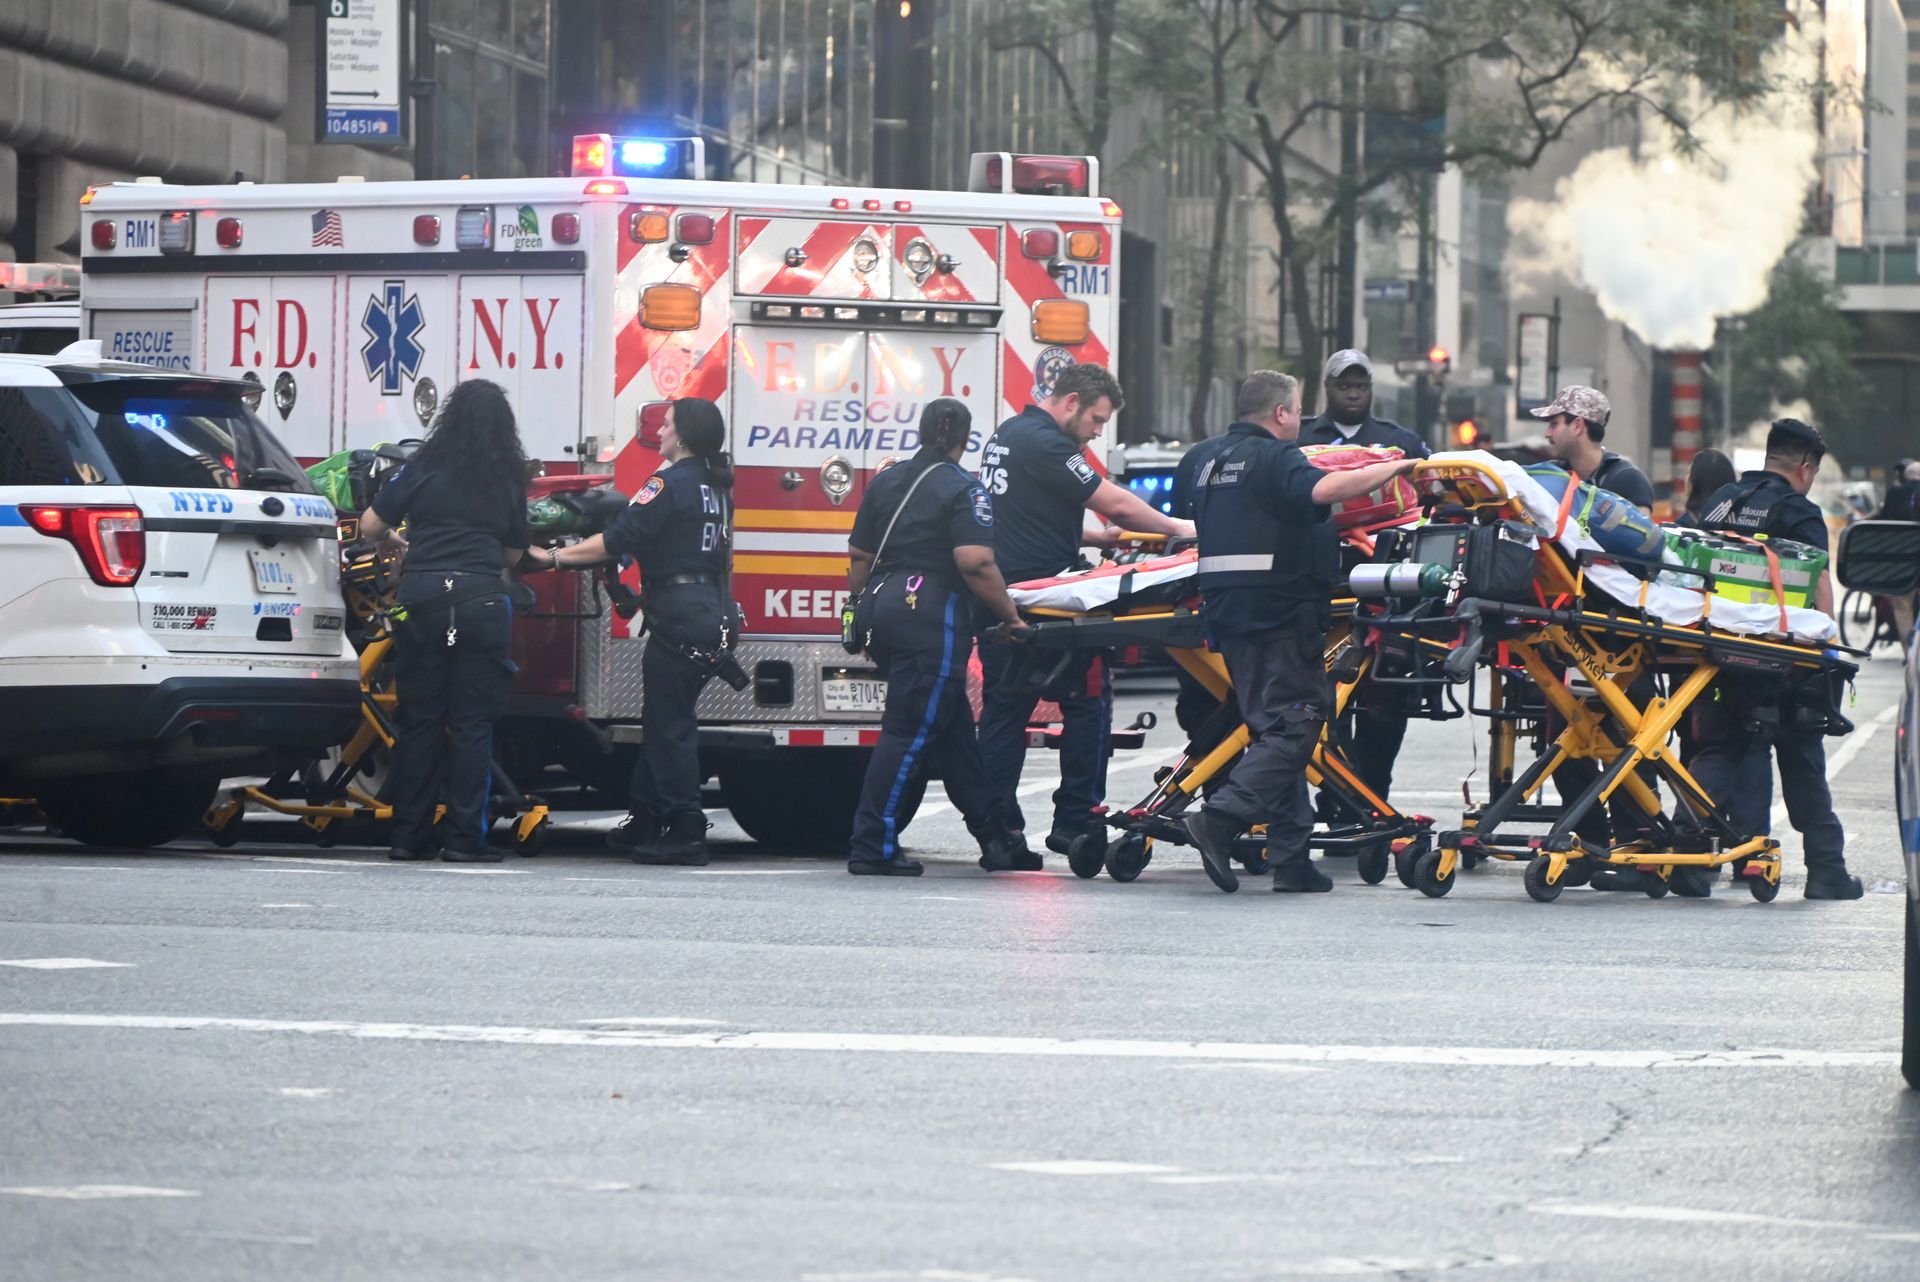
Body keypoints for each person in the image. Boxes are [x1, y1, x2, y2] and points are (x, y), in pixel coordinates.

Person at [1179, 370, 1418, 894]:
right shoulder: (1277, 456)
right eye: (1298, 410)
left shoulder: (1209, 460)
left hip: (1228, 613)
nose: (1301, 420)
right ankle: (1220, 819)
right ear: (1281, 413)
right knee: (1298, 724)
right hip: (1278, 613)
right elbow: (1325, 488)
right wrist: (1394, 467)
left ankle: (1291, 857)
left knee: (1272, 730)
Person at [975, 363, 1194, 865]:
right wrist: (1184, 528)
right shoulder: (1048, 444)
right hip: (1047, 603)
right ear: (1070, 401)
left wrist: (1097, 538)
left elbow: (1025, 518)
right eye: (1096, 419)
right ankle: (1076, 820)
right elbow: (1115, 503)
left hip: (1002, 598)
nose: (1098, 431)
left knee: (1004, 716)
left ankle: (1000, 834)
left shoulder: (1008, 434)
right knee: (1089, 704)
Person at [843, 399, 1030, 876]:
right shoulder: (965, 489)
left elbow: (859, 559)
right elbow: (975, 562)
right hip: (931, 614)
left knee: (951, 732)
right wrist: (1009, 618)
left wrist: (866, 611)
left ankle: (996, 838)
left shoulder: (885, 481)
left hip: (883, 607)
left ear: (921, 431)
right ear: (964, 440)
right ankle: (872, 845)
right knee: (907, 732)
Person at [548, 398, 734, 866]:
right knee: (664, 720)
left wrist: (551, 559)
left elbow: (616, 541)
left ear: (685, 436)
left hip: (679, 614)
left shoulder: (666, 484)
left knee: (669, 727)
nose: (660, 433)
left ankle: (686, 828)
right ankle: (647, 819)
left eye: (667, 426)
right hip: (710, 612)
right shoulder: (715, 486)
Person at [1688, 417, 1862, 900]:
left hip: (1715, 651)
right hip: (1780, 660)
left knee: (1720, 751)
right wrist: (1826, 647)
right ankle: (1827, 871)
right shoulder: (1798, 512)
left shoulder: (1722, 501)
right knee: (1801, 756)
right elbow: (1818, 582)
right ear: (1806, 467)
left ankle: (1684, 854)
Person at [359, 379, 530, 863]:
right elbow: (512, 553)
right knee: (473, 726)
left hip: (422, 599)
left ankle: (407, 838)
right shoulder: (507, 478)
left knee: (420, 722)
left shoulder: (424, 467)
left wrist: (396, 540)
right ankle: (463, 839)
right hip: (481, 602)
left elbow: (371, 525)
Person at [1298, 348, 1430, 805]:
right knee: (1324, 702)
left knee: (1383, 704)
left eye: (1361, 386)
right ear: (1327, 388)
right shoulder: (1299, 439)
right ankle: (1334, 797)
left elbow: (1429, 500)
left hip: (1387, 593)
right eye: (1343, 385)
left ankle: (1373, 797)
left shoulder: (1401, 442)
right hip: (1321, 587)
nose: (1353, 394)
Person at [1532, 385, 1653, 515]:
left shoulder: (1627, 480)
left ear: (1578, 426)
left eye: (1554, 424)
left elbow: (1642, 533)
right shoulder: (1553, 474)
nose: (1547, 433)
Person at [1679, 449, 1736, 526]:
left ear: (1696, 483)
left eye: (1689, 473)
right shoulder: (1743, 522)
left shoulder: (1681, 528)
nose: (1686, 478)